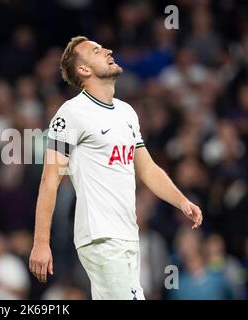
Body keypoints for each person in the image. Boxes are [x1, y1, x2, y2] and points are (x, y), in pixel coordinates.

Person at [29, 36, 203, 300]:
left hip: (128, 234)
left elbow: (146, 168)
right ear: (84, 70)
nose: (109, 51)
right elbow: (50, 179)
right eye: (97, 51)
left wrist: (181, 201)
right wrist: (41, 243)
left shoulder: (126, 113)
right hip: (100, 236)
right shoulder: (70, 114)